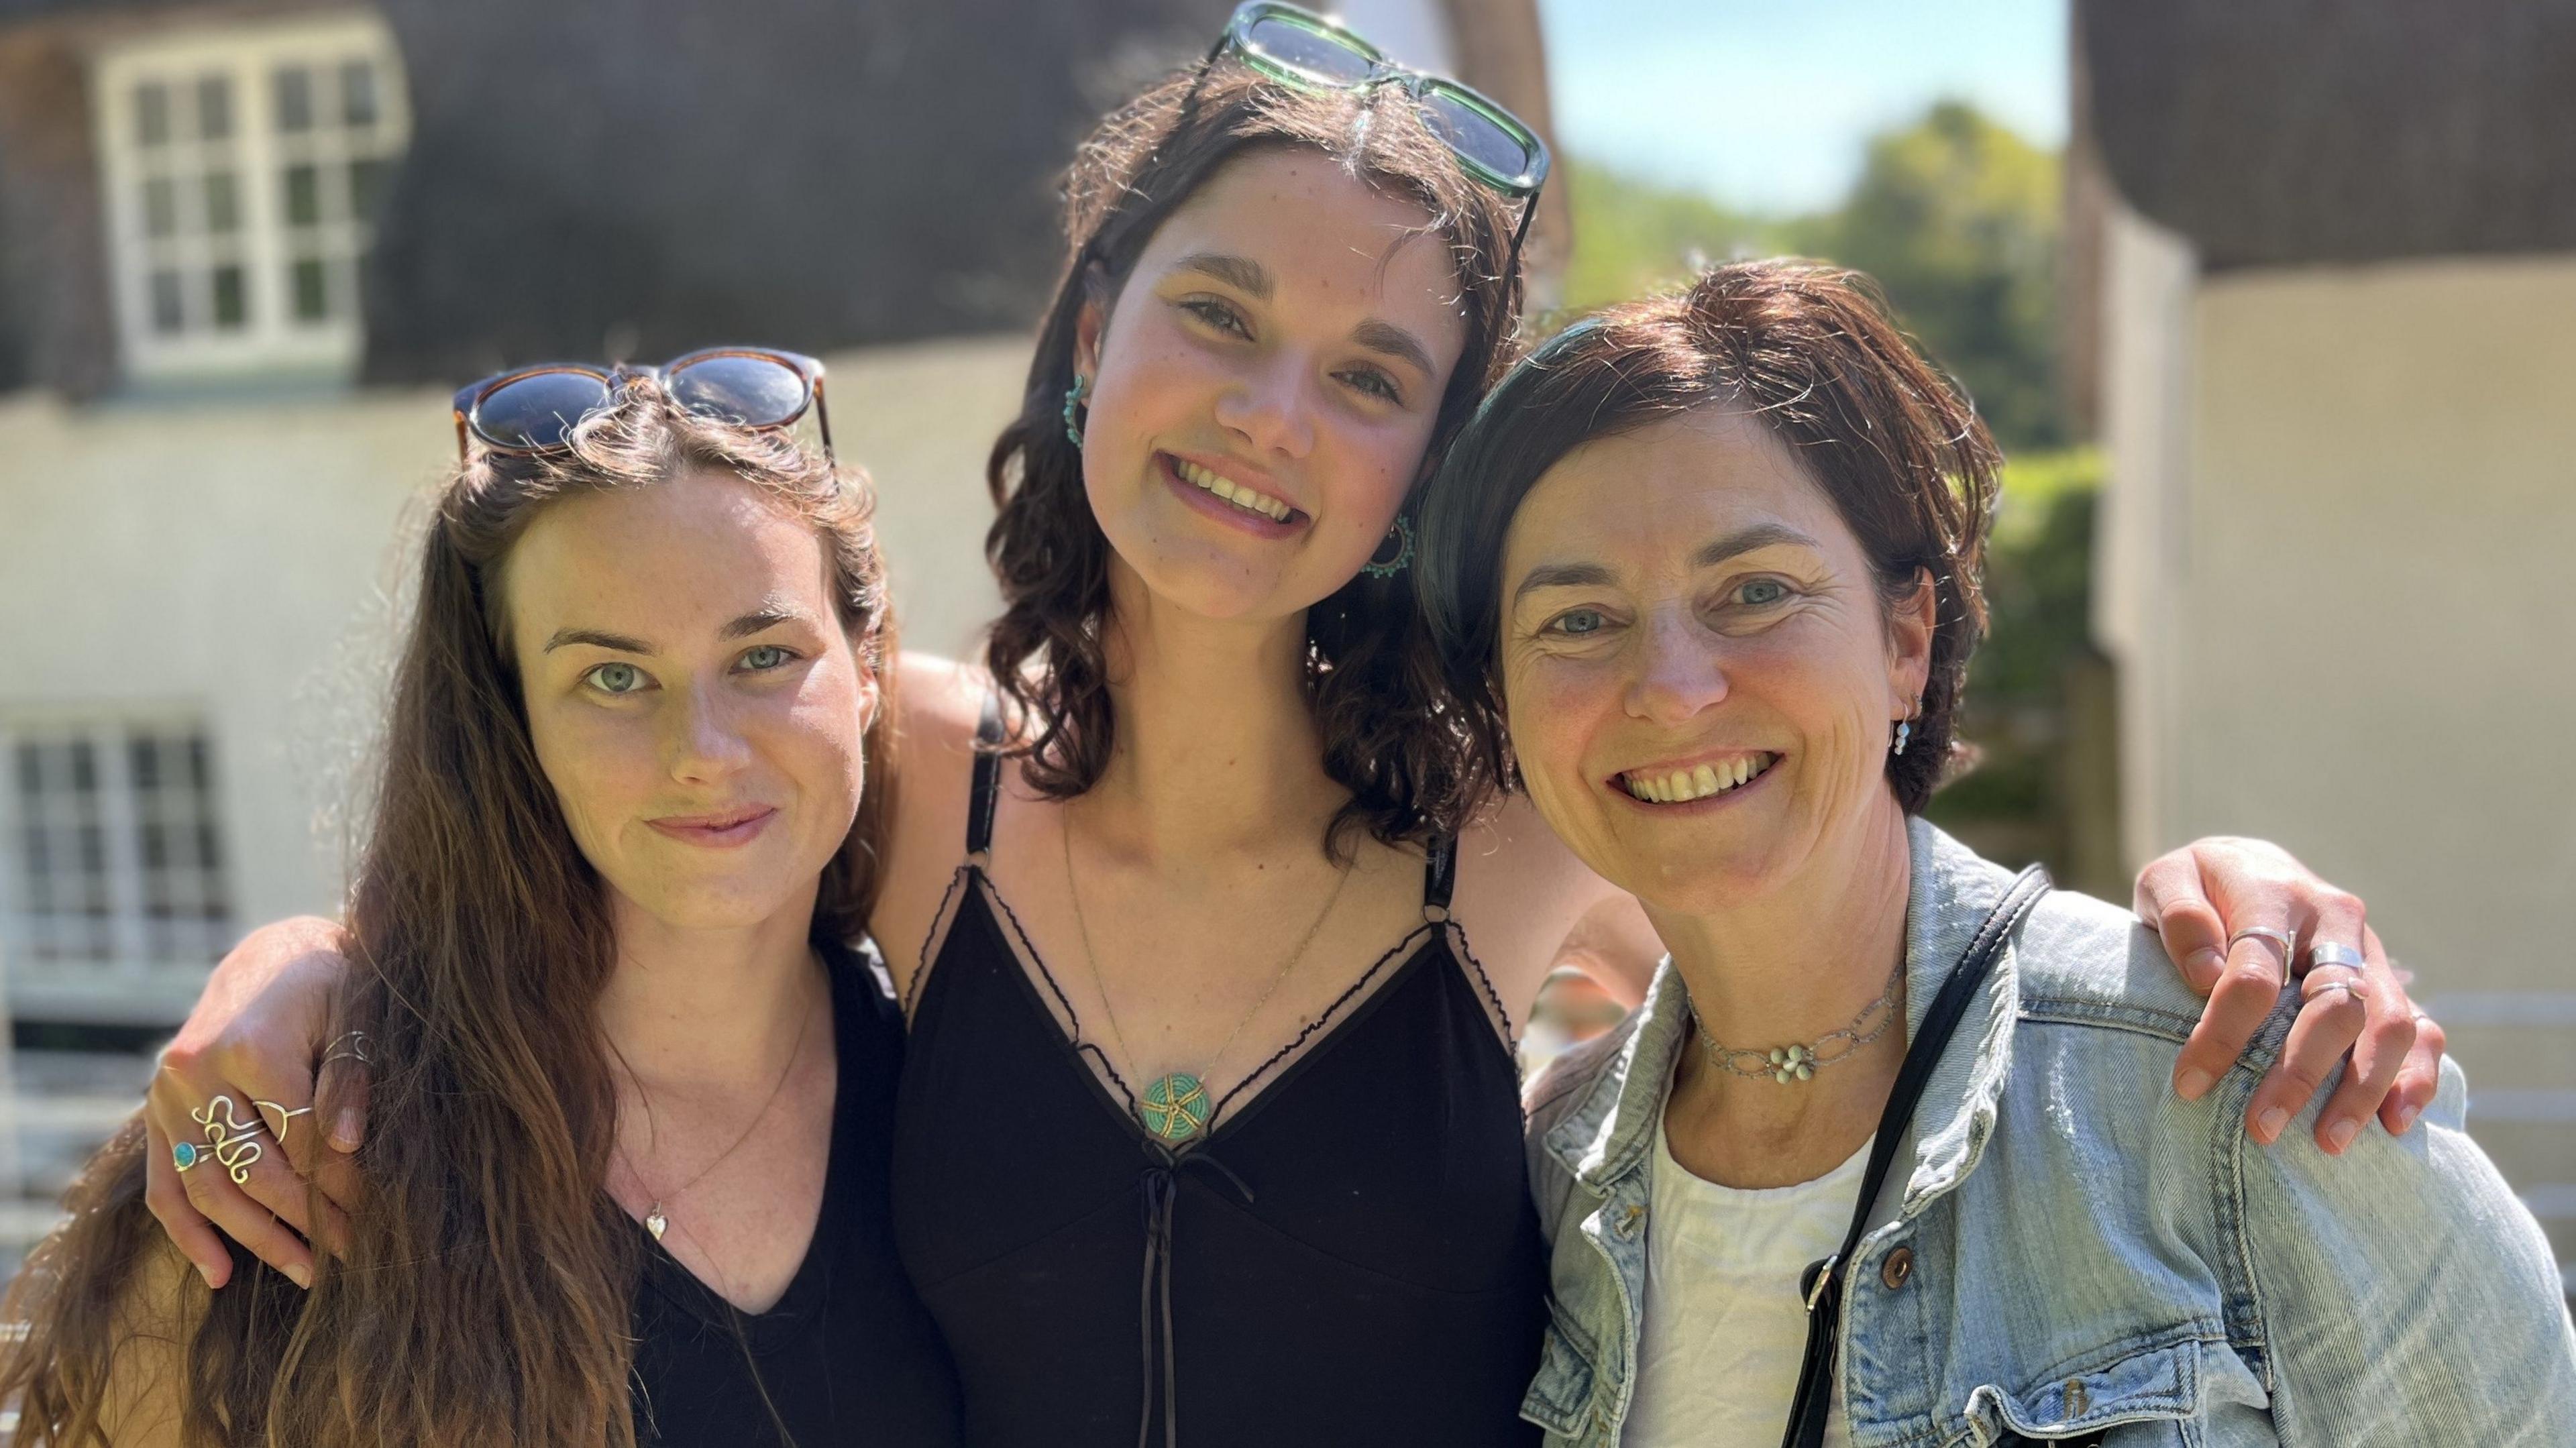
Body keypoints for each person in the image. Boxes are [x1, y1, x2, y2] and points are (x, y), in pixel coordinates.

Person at [133, 9, 2440, 1446]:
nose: (1266, 419)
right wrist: (287, 981)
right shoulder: (909, 777)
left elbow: (1877, 897)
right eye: (1216, 319)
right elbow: (601, 818)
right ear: (1092, 340)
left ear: (1430, 457)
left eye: (1369, 375)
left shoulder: (1531, 840)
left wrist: (2226, 895)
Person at [1415, 262, 2576, 1446]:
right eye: (1577, 619)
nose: (1668, 688)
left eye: (1755, 591)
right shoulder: (1547, 1179)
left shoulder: (2231, 1085)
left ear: (1904, 639)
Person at [0, 364, 963, 1447]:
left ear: (868, 666)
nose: (704, 751)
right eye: (611, 677)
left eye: (765, 655)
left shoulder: (977, 1091)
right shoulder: (298, 1147)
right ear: (514, 716)